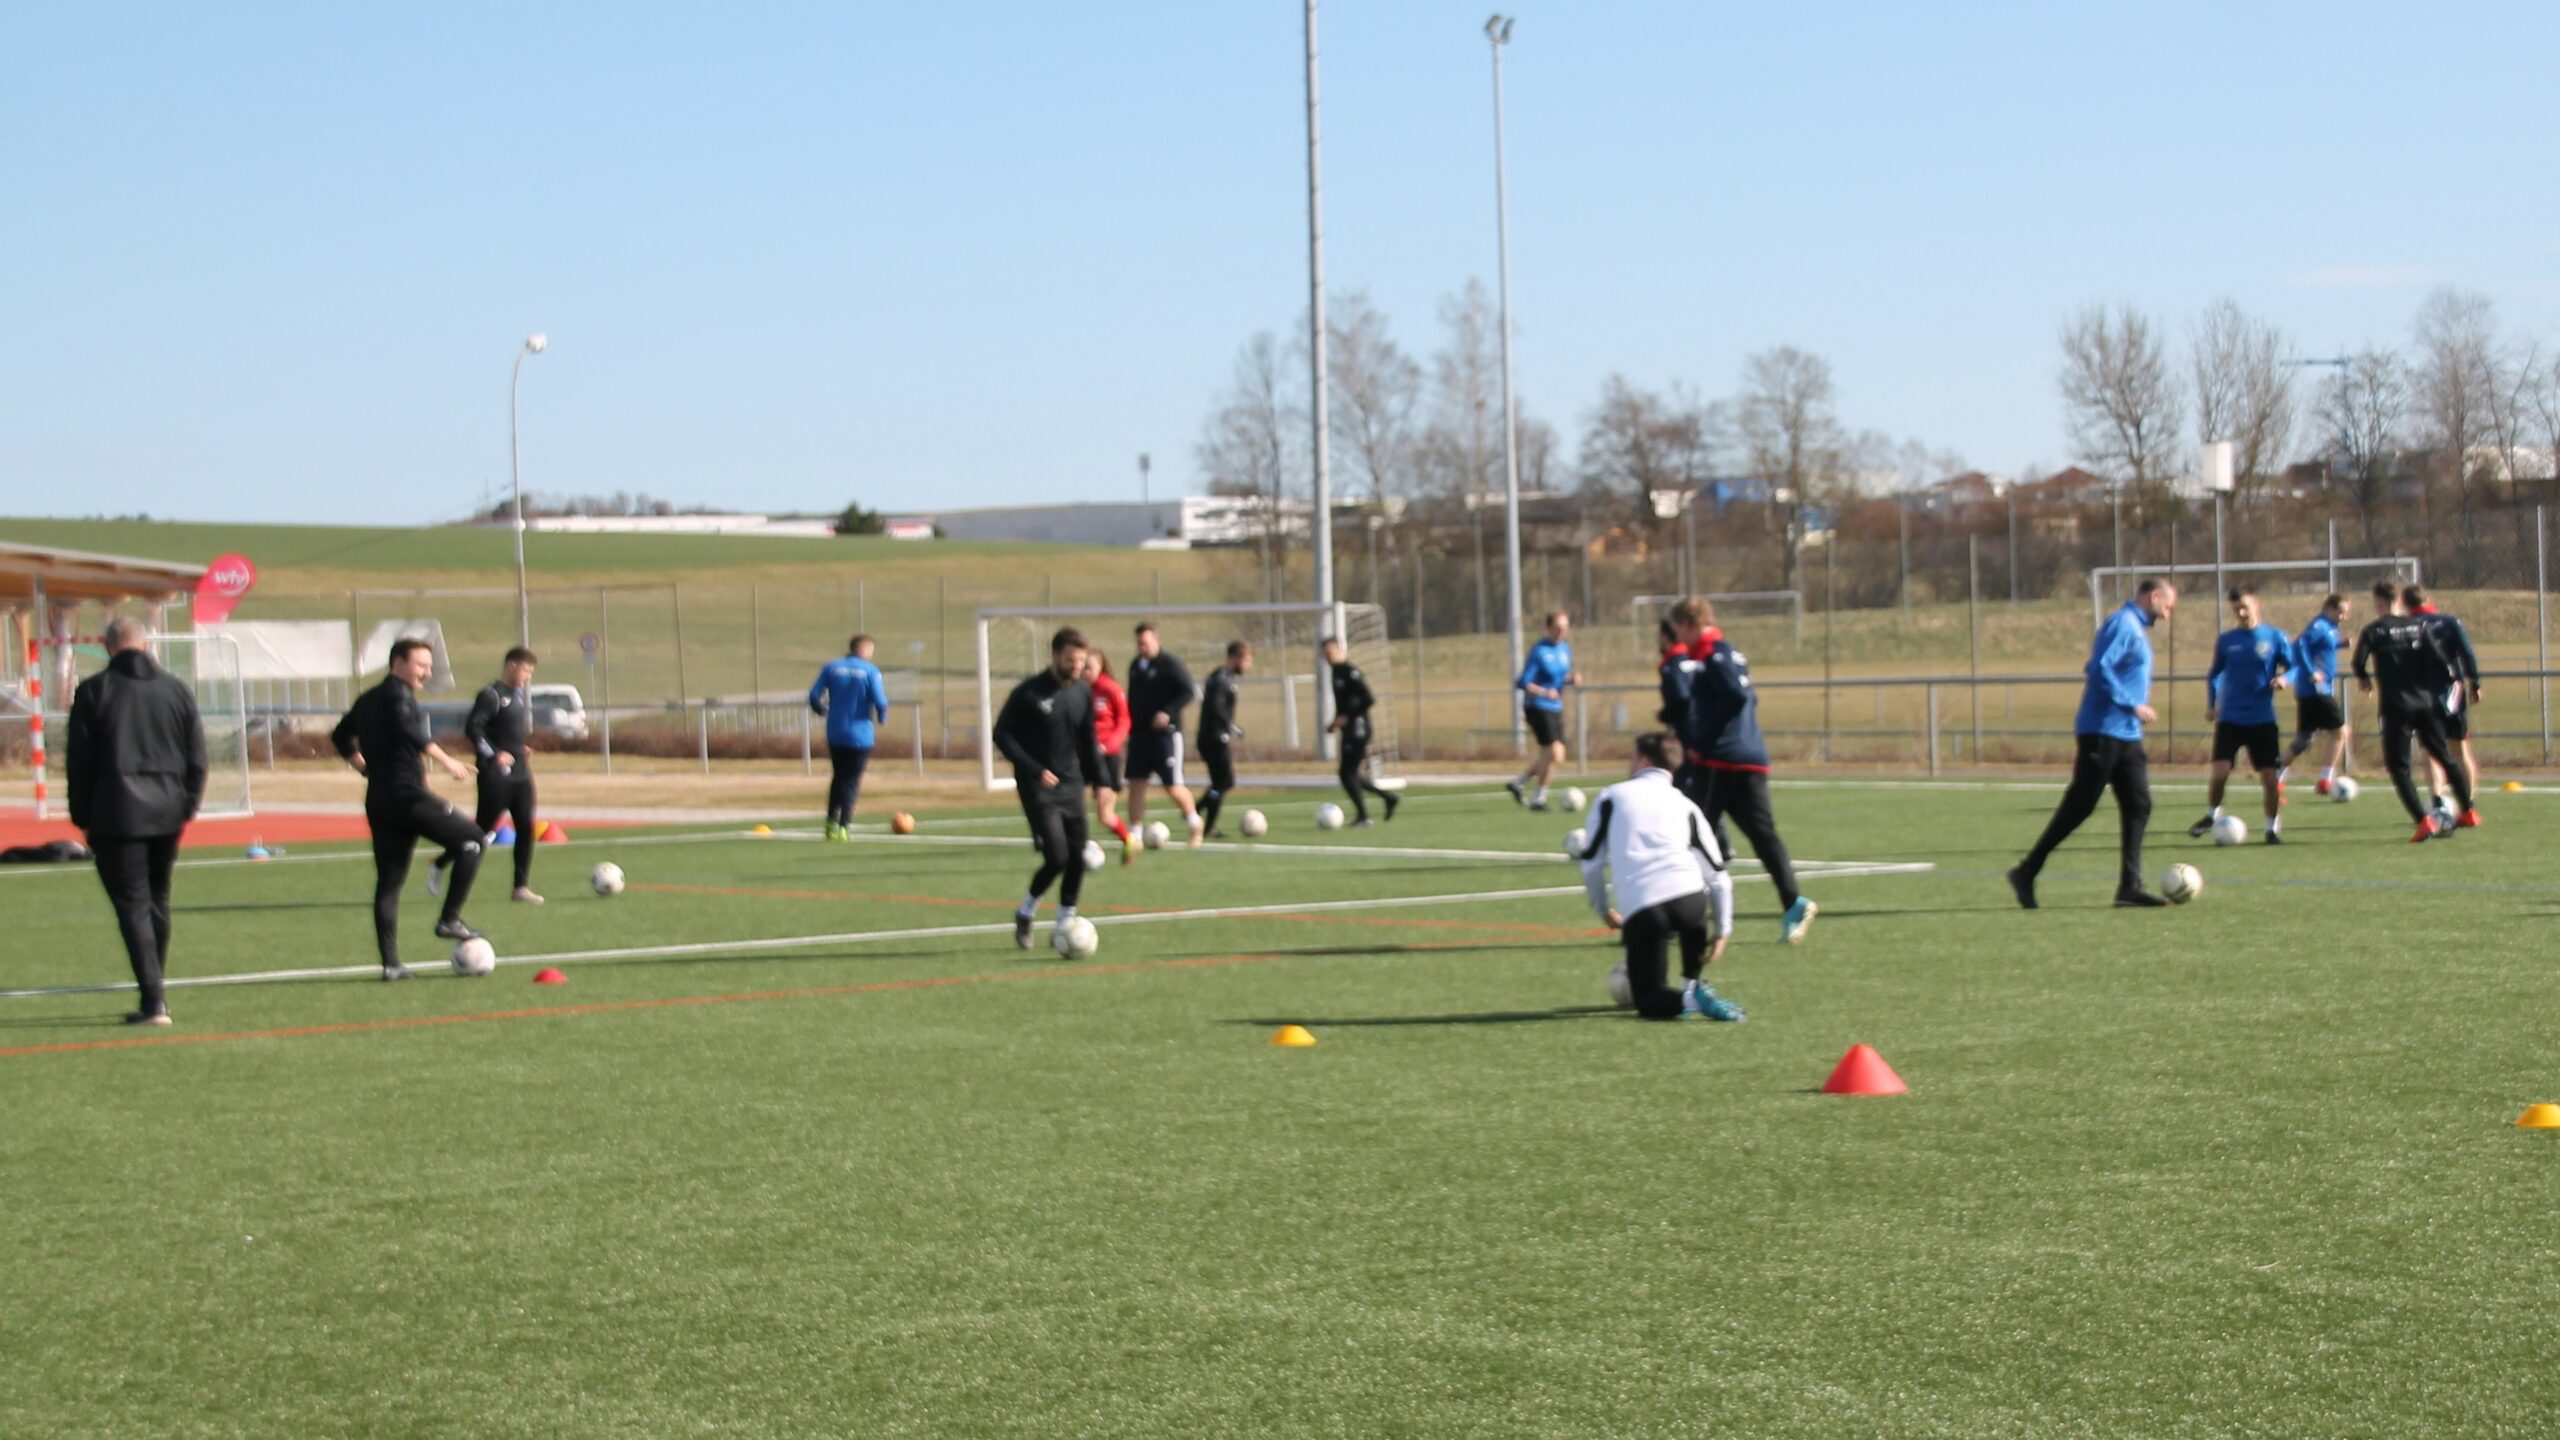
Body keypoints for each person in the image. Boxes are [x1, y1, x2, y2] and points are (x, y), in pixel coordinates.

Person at [64, 617, 207, 1026]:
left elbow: (79, 762)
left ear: (108, 646)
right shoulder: (175, 689)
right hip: (167, 811)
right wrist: (187, 804)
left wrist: (82, 816)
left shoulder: (94, 691)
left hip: (116, 813)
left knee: (133, 904)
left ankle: (153, 999)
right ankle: (154, 988)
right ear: (146, 644)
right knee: (157, 900)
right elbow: (197, 757)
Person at [2007, 578, 2177, 909]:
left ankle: (2129, 888)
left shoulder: (2134, 627)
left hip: (2127, 735)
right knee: (2080, 806)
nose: (2169, 615)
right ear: (2154, 597)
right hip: (2103, 731)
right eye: (2168, 607)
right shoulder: (2123, 624)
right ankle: (2027, 871)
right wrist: (2132, 704)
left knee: (2139, 804)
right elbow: (2098, 667)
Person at [334, 638, 487, 980]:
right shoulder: (397, 696)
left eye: (429, 666)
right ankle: (449, 919)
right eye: (420, 665)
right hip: (408, 798)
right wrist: (448, 761)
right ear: (398, 663)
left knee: (389, 883)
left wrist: (365, 769)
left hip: (380, 799)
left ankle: (391, 965)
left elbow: (340, 736)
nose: (426, 672)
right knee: (474, 841)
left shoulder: (368, 699)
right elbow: (411, 731)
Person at [1667, 597, 1815, 944]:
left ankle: (1681, 918)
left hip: (1721, 761)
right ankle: (1793, 902)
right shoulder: (1732, 653)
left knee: (1691, 835)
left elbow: (1735, 696)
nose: (1679, 638)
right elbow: (1749, 698)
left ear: (1690, 624)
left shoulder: (1712, 655)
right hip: (1750, 757)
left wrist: (1703, 740)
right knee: (1762, 835)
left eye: (1679, 630)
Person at [1575, 732, 1743, 1022]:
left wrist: (1603, 909)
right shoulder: (1685, 804)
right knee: (1681, 972)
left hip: (1645, 905)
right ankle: (1693, 988)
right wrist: (1723, 929)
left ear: (1643, 760)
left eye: (1632, 756)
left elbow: (1591, 863)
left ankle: (1691, 1000)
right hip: (1692, 903)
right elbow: (1717, 875)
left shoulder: (1612, 796)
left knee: (1649, 1000)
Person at [993, 627, 1104, 950]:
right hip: (1036, 787)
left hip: (1071, 784)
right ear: (1054, 656)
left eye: (1081, 660)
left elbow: (1088, 740)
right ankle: (1026, 911)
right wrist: (1034, 769)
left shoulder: (1082, 692)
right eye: (1070, 660)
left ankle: (1065, 921)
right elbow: (1002, 735)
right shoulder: (1028, 693)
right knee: (1057, 857)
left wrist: (1102, 782)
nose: (1077, 666)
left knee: (1077, 857)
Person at [2353, 584, 2478, 841]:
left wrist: (2364, 679)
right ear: (2398, 600)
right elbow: (2440, 660)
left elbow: (2358, 661)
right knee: (2444, 756)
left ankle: (2423, 822)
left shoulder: (2374, 630)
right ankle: (2468, 812)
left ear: (2379, 602)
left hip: (2395, 707)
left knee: (2399, 768)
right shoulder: (2420, 626)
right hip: (2426, 703)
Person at [431, 646, 546, 900]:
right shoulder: (491, 695)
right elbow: (473, 729)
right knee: (480, 833)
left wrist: (518, 748)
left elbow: (505, 733)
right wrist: (494, 755)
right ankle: (440, 864)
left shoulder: (517, 696)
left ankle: (520, 887)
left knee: (525, 828)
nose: (528, 677)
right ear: (512, 666)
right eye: (526, 671)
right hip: (495, 776)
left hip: (520, 774)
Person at [2187, 586, 2293, 845]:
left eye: (2245, 607)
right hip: (2230, 718)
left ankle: (2271, 829)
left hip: (2262, 719)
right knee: (2220, 772)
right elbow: (2215, 673)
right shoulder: (2227, 640)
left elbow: (2295, 666)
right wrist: (2212, 704)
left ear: (2257, 603)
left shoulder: (2275, 637)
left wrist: (2284, 679)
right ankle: (2211, 815)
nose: (2241, 613)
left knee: (2270, 779)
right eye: (2236, 609)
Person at [2405, 583, 2483, 823]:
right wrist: (2475, 682)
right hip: (2452, 692)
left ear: (2406, 604)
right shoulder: (2450, 622)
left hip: (2422, 695)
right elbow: (2467, 653)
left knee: (2430, 750)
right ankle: (2468, 806)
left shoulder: (2406, 626)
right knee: (2460, 749)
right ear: (2428, 599)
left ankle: (2437, 801)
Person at [1123, 622, 1205, 849]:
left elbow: (1188, 691)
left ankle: (1195, 823)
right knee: (1136, 784)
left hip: (1165, 736)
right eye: (1139, 643)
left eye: (1146, 643)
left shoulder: (1170, 664)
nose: (1142, 647)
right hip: (1139, 735)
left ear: (1156, 640)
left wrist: (1168, 712)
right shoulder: (1136, 666)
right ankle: (1135, 835)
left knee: (1172, 785)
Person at [809, 635, 889, 842]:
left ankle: (830, 822)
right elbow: (880, 701)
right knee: (852, 780)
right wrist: (882, 717)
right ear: (865, 649)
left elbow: (814, 695)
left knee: (838, 776)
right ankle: (844, 826)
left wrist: (821, 710)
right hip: (860, 734)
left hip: (835, 731)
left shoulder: (832, 667)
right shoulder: (870, 670)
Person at [2280, 593, 2353, 794]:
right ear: (2329, 609)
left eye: (2346, 613)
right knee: (2340, 732)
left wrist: (2341, 644)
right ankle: (2325, 780)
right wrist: (2311, 672)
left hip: (2310, 691)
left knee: (2305, 739)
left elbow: (2319, 646)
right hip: (2318, 690)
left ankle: (2276, 774)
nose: (2343, 617)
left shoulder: (2330, 628)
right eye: (2341, 612)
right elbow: (2299, 645)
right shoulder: (2319, 625)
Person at [1507, 611, 1580, 810]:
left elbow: (1557, 679)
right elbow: (1523, 682)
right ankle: (1538, 799)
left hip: (1555, 707)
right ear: (1548, 628)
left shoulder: (1565, 649)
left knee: (1557, 755)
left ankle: (1519, 783)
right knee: (1553, 752)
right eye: (1557, 627)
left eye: (1564, 627)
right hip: (1537, 706)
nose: (1561, 631)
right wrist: (1544, 692)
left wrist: (1570, 680)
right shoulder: (1539, 651)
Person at [1324, 636, 1398, 825]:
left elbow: (1368, 699)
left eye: (1330, 652)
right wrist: (1335, 722)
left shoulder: (1350, 672)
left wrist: (1347, 717)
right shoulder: (1336, 672)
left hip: (1359, 729)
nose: (1327, 657)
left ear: (1340, 650)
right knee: (1350, 773)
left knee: (1346, 773)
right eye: (1324, 654)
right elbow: (1345, 703)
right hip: (1349, 730)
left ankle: (1364, 816)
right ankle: (1387, 798)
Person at [1082, 650, 1136, 860]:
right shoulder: (1077, 690)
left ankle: (1128, 839)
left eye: (1089, 667)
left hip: (1107, 757)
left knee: (1104, 816)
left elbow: (1124, 721)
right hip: (1083, 755)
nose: (1085, 672)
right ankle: (1076, 846)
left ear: (1100, 667)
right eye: (1082, 667)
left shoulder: (1111, 689)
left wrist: (1108, 745)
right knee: (1071, 801)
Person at [1196, 640, 1251, 838]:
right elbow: (1216, 707)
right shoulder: (1222, 679)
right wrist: (1231, 726)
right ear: (1235, 658)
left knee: (1222, 782)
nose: (1248, 665)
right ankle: (1199, 817)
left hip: (1212, 736)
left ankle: (1198, 815)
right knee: (1223, 782)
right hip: (1214, 738)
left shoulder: (1222, 677)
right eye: (1246, 660)